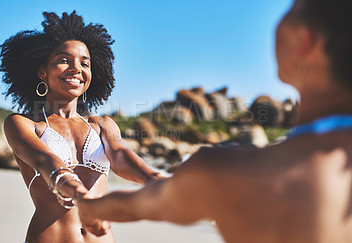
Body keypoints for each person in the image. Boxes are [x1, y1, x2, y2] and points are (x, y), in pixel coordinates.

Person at [76, 0, 352, 242]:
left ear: (304, 42)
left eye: (292, 6)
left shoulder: (223, 172)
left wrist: (92, 210)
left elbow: (139, 205)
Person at [0, 11, 163, 243]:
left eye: (84, 63)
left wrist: (154, 178)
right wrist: (83, 199)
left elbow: (120, 156)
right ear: (42, 71)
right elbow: (47, 162)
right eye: (64, 60)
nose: (76, 68)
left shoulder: (102, 124)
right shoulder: (23, 124)